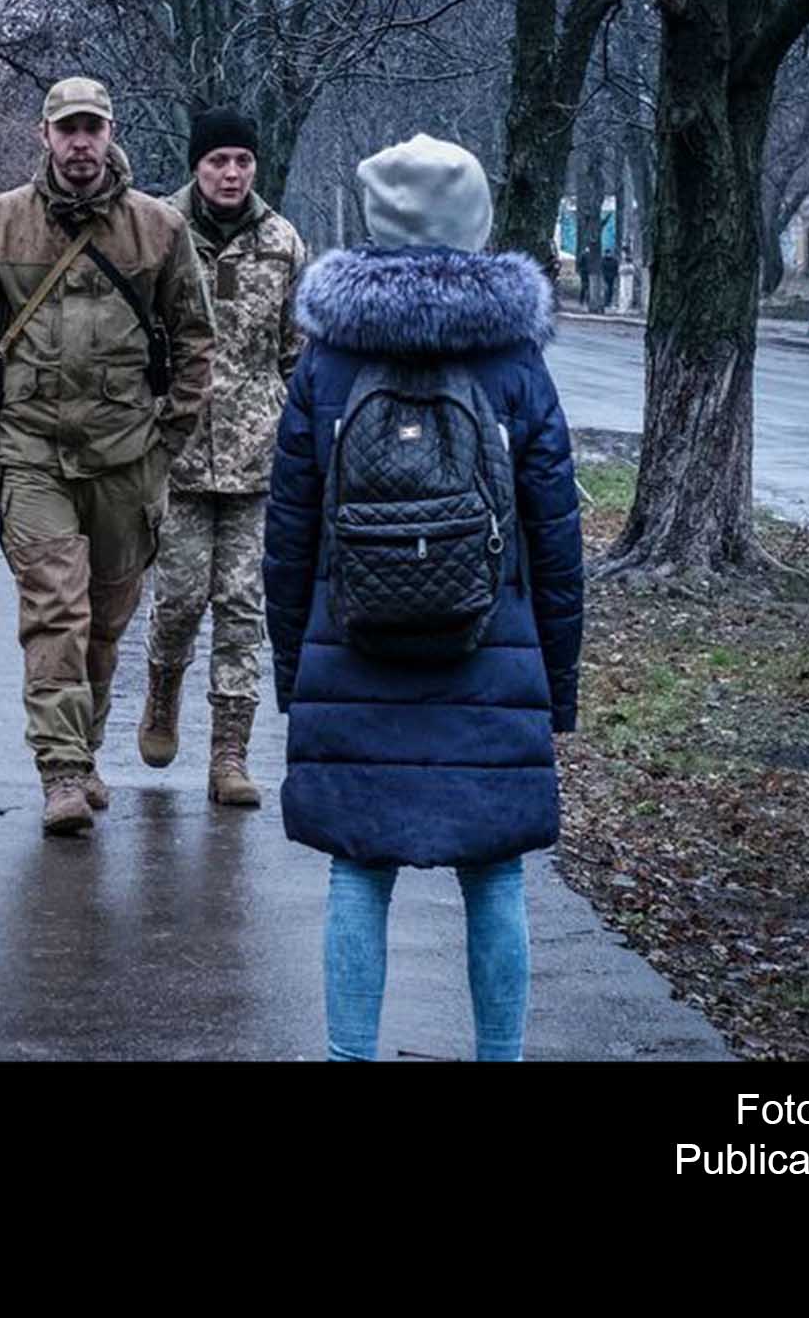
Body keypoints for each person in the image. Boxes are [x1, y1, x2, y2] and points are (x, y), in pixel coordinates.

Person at [262, 134, 584, 1062]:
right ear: (474, 222)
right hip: (492, 653)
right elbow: (556, 537)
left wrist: (296, 673)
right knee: (496, 875)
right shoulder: (513, 359)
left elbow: (290, 535)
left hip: (353, 652)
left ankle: (349, 1057)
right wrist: (556, 687)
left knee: (359, 873)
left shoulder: (328, 360)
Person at [0, 76, 215, 836]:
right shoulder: (0, 223)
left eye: (92, 128)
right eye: (68, 129)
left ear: (110, 132)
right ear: (45, 136)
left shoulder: (158, 229)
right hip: (31, 449)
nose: (81, 143)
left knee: (105, 619)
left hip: (128, 454)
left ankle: (84, 749)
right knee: (55, 608)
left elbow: (195, 339)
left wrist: (170, 437)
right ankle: (60, 770)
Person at [141, 108, 307, 808]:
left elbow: (296, 351)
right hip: (175, 451)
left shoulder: (282, 241)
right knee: (180, 597)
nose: (231, 173)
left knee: (242, 606)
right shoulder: (158, 230)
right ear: (197, 165)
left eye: (242, 160)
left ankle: (229, 754)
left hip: (257, 456)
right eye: (218, 161)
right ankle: (162, 689)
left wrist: (304, 432)